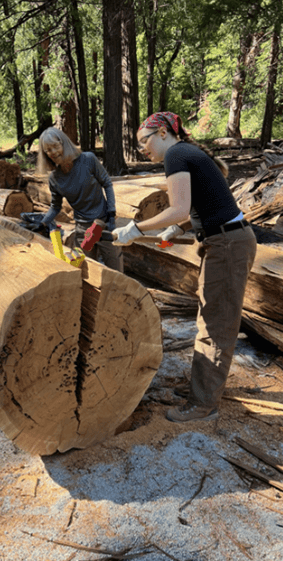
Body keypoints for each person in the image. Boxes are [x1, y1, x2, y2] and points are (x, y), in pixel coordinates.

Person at [112, 111, 257, 423]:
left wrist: (137, 228)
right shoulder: (187, 153)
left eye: (144, 142)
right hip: (223, 240)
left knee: (216, 323)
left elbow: (178, 208)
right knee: (209, 317)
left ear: (163, 132)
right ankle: (200, 389)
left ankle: (204, 404)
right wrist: (177, 230)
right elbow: (206, 201)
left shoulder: (176, 154)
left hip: (228, 244)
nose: (143, 149)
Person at [32, 127, 123, 272]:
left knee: (117, 271)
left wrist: (111, 213)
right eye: (48, 150)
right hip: (82, 230)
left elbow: (107, 183)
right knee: (88, 273)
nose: (53, 152)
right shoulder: (54, 179)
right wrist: (43, 223)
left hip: (105, 224)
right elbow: (55, 207)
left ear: (64, 144)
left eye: (56, 146)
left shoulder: (88, 159)